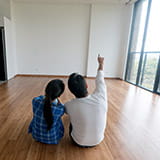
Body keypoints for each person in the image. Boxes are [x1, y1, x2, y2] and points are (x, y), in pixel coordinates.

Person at [65, 55, 108, 147]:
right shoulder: (101, 97)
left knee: (72, 118)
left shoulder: (69, 105)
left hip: (78, 142)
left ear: (71, 91)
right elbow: (100, 80)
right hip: (98, 141)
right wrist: (101, 63)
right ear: (87, 85)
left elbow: (64, 110)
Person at [28, 79, 65, 144]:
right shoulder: (60, 109)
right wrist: (59, 103)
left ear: (46, 90)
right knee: (58, 120)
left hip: (35, 136)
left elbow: (40, 98)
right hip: (53, 138)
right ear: (59, 95)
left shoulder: (35, 101)